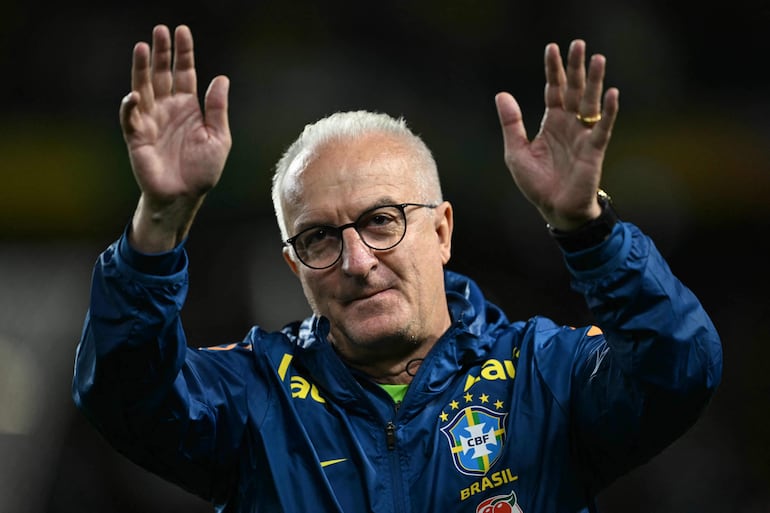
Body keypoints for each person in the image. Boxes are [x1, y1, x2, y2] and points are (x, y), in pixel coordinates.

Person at [72, 24, 723, 513]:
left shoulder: (543, 379)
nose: (356, 261)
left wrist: (587, 228)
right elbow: (125, 396)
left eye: (381, 221)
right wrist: (158, 223)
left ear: (441, 231)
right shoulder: (254, 400)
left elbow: (680, 366)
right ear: (294, 265)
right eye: (320, 238)